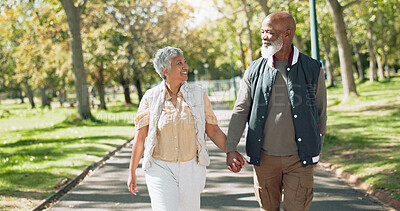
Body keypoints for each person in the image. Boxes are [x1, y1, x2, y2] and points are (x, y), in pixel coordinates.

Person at [225, 12, 327, 211]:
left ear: (287, 34)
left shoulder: (312, 68)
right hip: (264, 160)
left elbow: (320, 112)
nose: (264, 37)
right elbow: (240, 111)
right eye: (262, 32)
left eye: (269, 32)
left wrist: (316, 148)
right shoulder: (253, 69)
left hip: (299, 160)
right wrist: (231, 148)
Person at [127, 46, 227, 211]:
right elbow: (140, 137)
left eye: (185, 62)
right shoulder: (150, 97)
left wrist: (231, 151)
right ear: (165, 70)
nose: (185, 66)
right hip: (160, 167)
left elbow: (213, 130)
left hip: (191, 167)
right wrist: (132, 172)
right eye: (179, 63)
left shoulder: (198, 94)